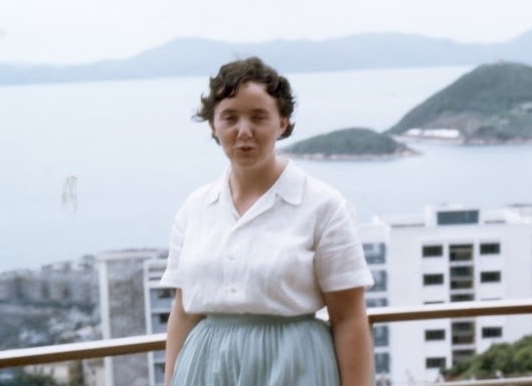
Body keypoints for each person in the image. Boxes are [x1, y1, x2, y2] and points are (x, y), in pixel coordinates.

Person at [160, 56, 374, 386]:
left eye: (259, 117)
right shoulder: (194, 208)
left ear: (282, 122)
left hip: (294, 365)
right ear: (213, 126)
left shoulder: (324, 206)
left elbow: (349, 318)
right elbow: (184, 311)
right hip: (205, 367)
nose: (244, 131)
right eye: (229, 117)